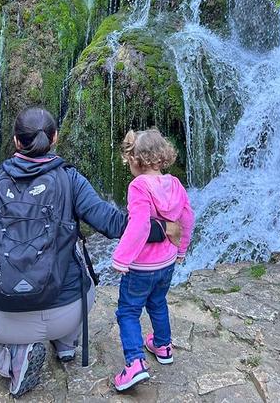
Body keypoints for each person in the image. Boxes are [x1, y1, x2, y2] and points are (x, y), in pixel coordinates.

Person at [0, 107, 178, 398]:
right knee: (81, 274)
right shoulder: (71, 179)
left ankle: (11, 357)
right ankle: (66, 343)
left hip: (2, 320)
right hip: (66, 312)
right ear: (54, 138)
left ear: (17, 142)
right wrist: (163, 229)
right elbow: (113, 223)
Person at [112, 128, 195, 392]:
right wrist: (182, 249)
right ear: (162, 157)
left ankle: (135, 363)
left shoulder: (138, 186)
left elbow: (139, 226)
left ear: (136, 160)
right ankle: (163, 346)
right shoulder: (176, 184)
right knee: (158, 303)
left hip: (141, 267)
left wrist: (121, 258)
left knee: (128, 311)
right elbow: (187, 219)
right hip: (167, 263)